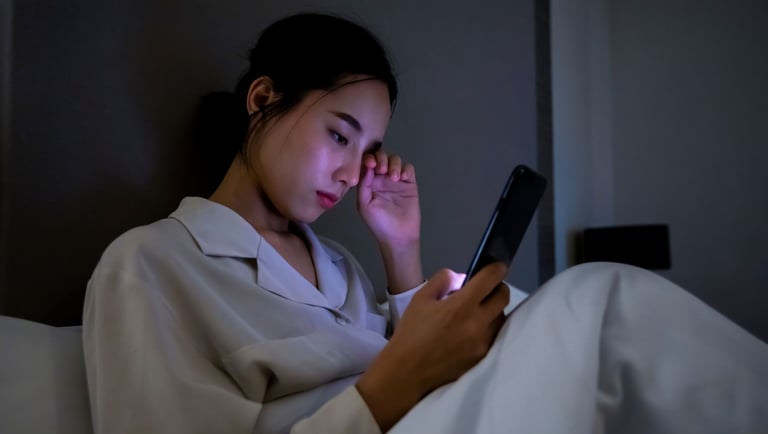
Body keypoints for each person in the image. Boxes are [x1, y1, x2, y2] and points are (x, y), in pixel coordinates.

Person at [83, 12, 768, 434]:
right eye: (339, 134)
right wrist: (394, 385)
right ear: (263, 98)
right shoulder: (150, 264)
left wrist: (401, 252)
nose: (353, 173)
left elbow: (416, 354)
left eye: (368, 149)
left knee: (565, 305)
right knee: (597, 299)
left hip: (437, 412)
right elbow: (399, 377)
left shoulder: (340, 269)